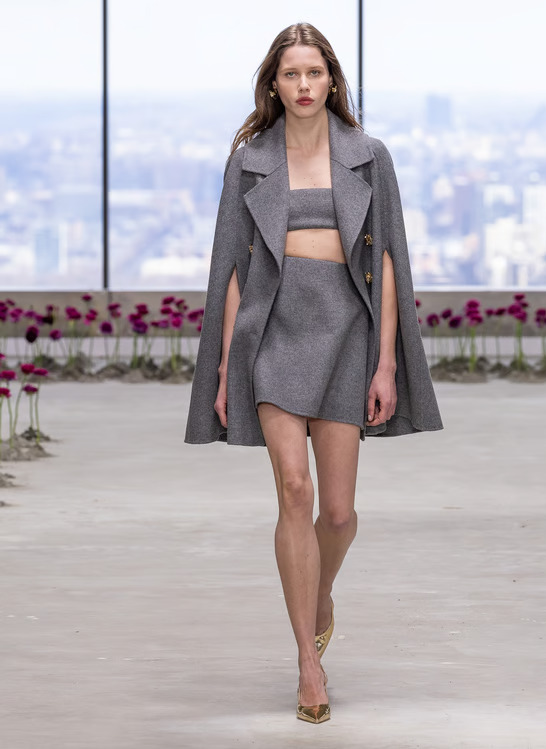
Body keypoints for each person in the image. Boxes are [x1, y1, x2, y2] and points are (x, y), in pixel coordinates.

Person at [184, 22, 443, 724]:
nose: (303, 85)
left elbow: (387, 259)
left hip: (347, 327)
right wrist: (227, 369)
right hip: (271, 326)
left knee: (338, 513)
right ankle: (308, 662)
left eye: (315, 72)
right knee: (293, 490)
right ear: (273, 84)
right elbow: (231, 266)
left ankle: (320, 593)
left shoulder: (369, 156)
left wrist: (385, 362)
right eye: (291, 74)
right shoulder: (249, 161)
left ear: (332, 81)